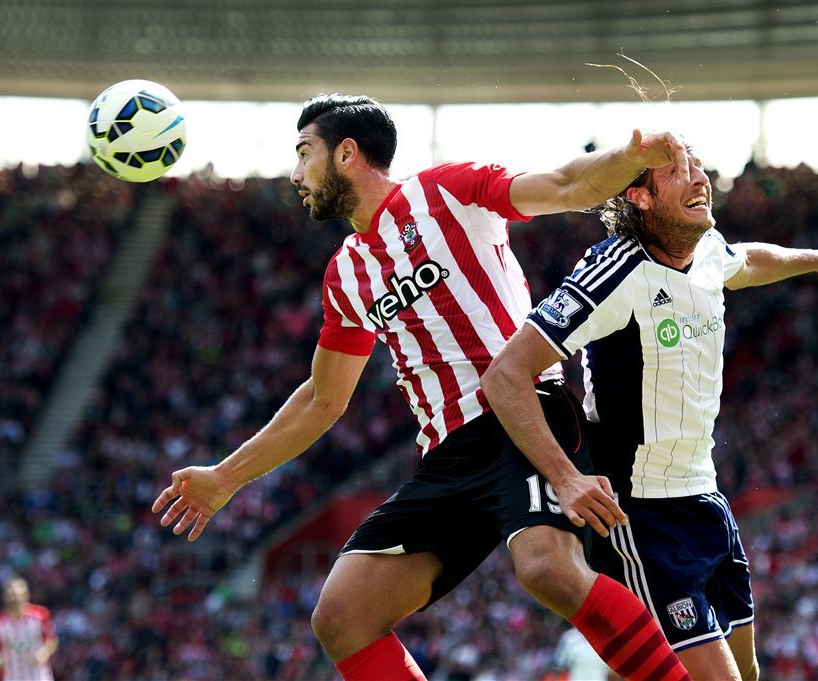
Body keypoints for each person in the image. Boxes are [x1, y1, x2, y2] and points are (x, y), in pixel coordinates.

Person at [152, 93, 692, 681]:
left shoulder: (446, 191)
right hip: (448, 454)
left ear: (347, 154)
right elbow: (321, 399)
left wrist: (629, 156)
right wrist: (225, 477)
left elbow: (564, 186)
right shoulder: (345, 273)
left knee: (548, 570)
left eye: (305, 154)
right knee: (342, 616)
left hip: (522, 410)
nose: (295, 174)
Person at [479, 144, 818, 681]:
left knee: (747, 672)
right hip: (642, 516)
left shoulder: (707, 249)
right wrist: (566, 479)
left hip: (706, 499)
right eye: (677, 172)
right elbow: (504, 375)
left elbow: (747, 260)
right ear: (639, 197)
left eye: (698, 167)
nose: (700, 179)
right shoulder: (615, 273)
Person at [0, 577, 58, 681]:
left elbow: (51, 641)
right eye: (12, 596)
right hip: (12, 677)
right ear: (5, 598)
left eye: (20, 596)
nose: (17, 600)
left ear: (27, 595)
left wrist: (44, 653)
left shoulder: (41, 615)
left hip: (39, 676)